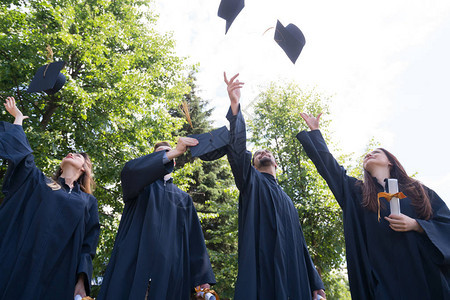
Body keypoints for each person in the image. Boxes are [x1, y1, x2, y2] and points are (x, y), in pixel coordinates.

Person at [297, 113, 450, 299]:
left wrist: (416, 225)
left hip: (423, 276)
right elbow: (329, 168)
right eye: (367, 154)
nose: (369, 154)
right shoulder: (357, 193)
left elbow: (445, 224)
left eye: (376, 152)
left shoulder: (418, 190)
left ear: (390, 161)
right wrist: (316, 133)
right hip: (383, 282)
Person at [223, 73, 326, 300]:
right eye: (258, 153)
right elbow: (238, 151)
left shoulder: (288, 201)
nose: (263, 152)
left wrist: (315, 283)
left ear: (276, 163)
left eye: (268, 152)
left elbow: (301, 244)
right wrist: (234, 105)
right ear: (252, 164)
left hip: (294, 277)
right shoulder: (251, 182)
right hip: (264, 271)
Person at [0, 97, 100, 299]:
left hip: (59, 271)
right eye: (70, 152)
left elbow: (88, 245)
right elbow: (23, 158)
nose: (71, 153)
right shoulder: (40, 182)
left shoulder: (88, 202)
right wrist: (18, 119)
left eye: (78, 155)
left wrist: (81, 281)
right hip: (23, 258)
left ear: (84, 169)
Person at [97, 138, 216, 300]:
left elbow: (195, 241)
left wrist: (203, 279)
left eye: (168, 154)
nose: (165, 157)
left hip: (170, 276)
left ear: (173, 164)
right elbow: (130, 171)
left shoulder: (183, 199)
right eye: (158, 156)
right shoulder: (138, 187)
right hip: (132, 268)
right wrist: (174, 152)